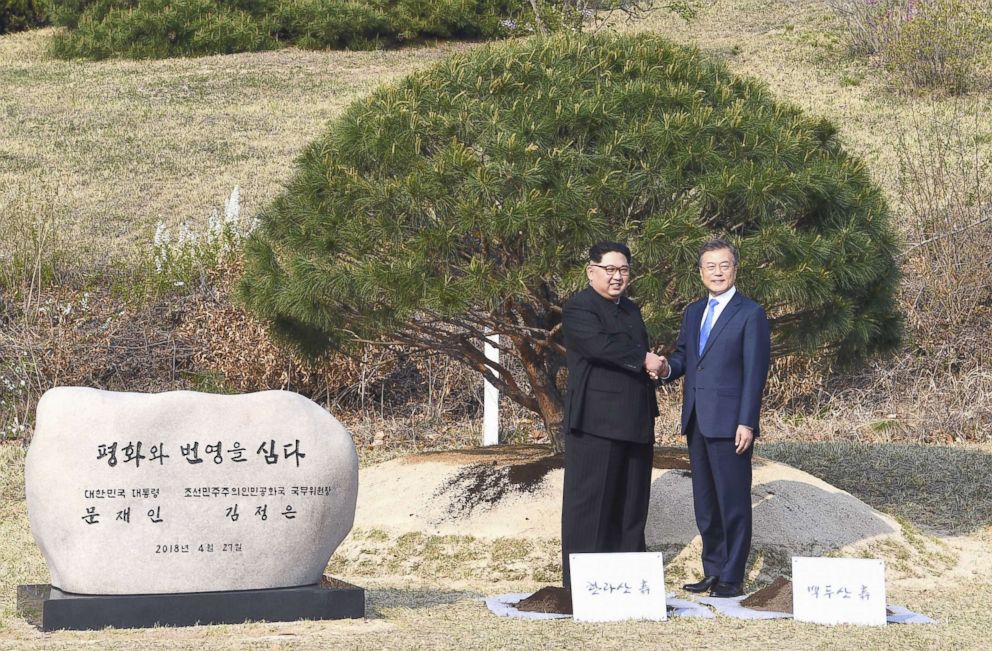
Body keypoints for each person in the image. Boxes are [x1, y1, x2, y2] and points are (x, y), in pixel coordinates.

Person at [656, 238, 770, 598]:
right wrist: (663, 368)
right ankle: (713, 569)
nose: (717, 272)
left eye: (724, 265)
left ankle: (733, 577)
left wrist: (747, 421)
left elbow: (755, 373)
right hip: (697, 420)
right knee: (705, 503)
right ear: (700, 272)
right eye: (710, 266)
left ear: (735, 269)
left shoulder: (750, 313)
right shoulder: (693, 312)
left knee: (733, 501)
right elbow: (684, 358)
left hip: (731, 422)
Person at [560, 241, 665, 589]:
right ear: (592, 272)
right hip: (596, 423)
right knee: (591, 505)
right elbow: (600, 347)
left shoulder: (631, 309)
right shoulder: (579, 307)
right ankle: (583, 587)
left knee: (631, 505)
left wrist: (655, 366)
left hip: (635, 420)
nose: (617, 277)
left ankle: (629, 585)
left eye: (623, 270)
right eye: (610, 270)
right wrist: (644, 359)